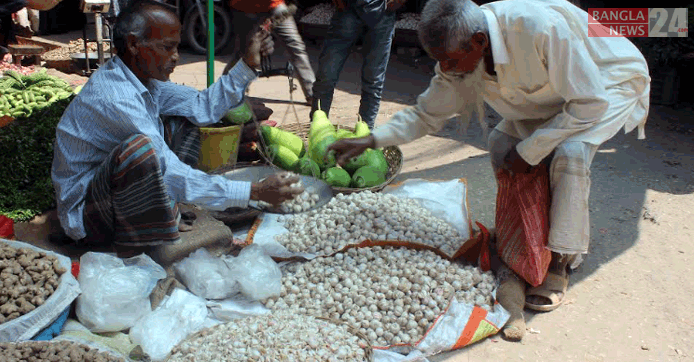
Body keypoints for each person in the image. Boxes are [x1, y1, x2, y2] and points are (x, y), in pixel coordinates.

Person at [329, 0, 650, 340]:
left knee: (569, 154)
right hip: (556, 94)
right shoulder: (458, 56)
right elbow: (426, 114)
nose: (446, 68)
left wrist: (530, 150)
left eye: (451, 60)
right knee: (501, 144)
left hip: (605, 84)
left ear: (479, 42)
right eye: (440, 60)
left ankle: (559, 259)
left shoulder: (539, 30)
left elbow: (588, 103)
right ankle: (523, 233)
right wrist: (371, 140)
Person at [52, 0, 302, 257]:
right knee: (142, 151)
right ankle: (137, 244)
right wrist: (253, 192)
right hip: (87, 215)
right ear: (134, 44)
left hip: (113, 189)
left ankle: (165, 210)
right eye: (167, 47)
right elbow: (167, 167)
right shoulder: (115, 96)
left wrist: (248, 65)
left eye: (176, 46)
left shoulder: (143, 80)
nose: (175, 56)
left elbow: (202, 106)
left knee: (186, 117)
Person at [310, 0, 407, 129]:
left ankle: (364, 135)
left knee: (373, 81)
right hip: (348, 11)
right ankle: (317, 130)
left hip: (382, 14)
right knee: (326, 76)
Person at [222, 0, 315, 105]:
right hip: (245, 8)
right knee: (245, 53)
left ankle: (312, 94)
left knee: (295, 45)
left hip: (275, 6)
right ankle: (223, 91)